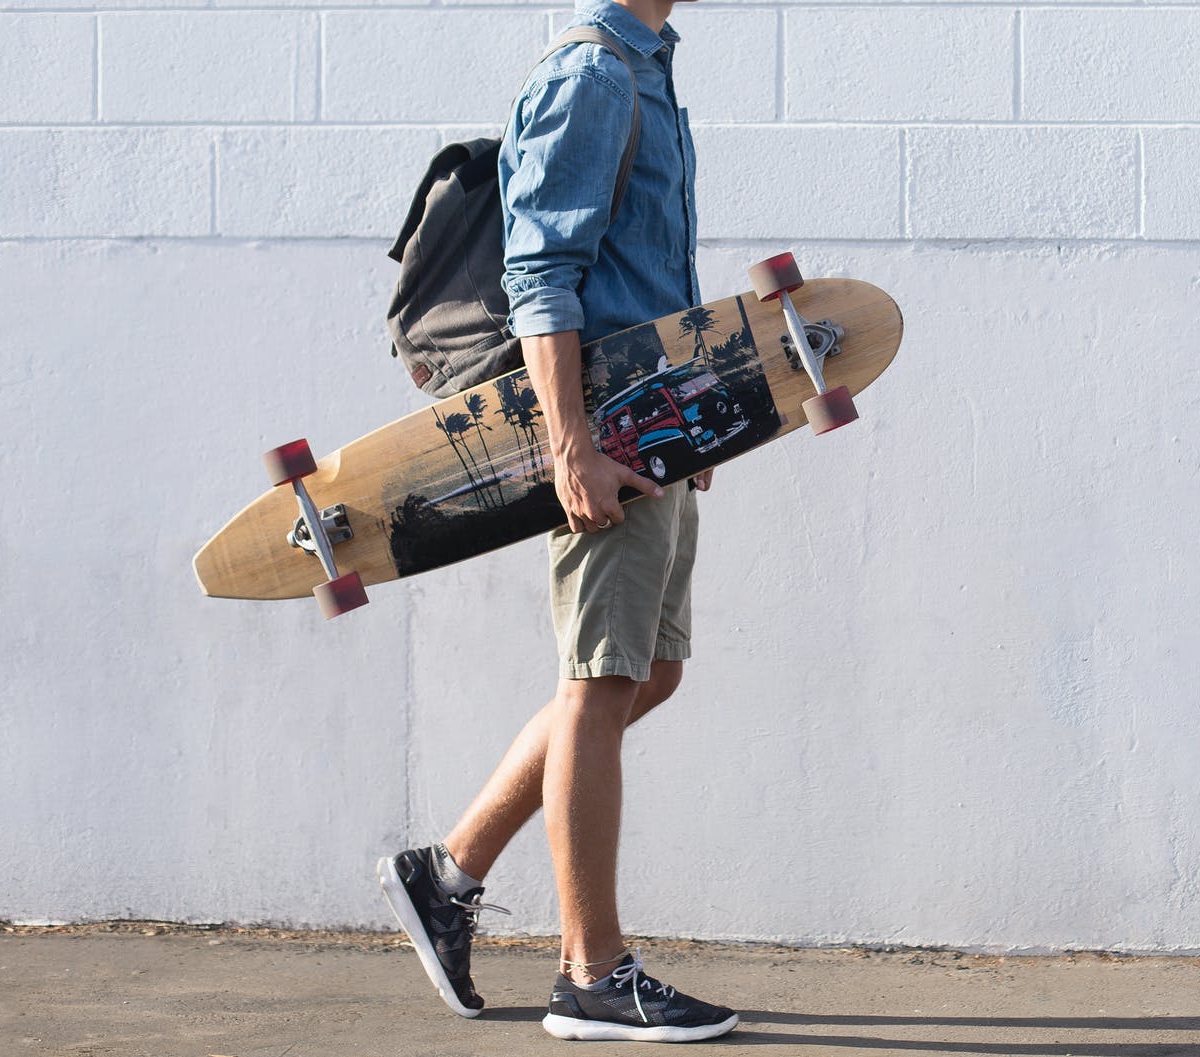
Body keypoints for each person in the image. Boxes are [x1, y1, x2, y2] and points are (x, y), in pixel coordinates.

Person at [376, 0, 738, 1043]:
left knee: (648, 670)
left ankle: (446, 874)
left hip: (655, 423)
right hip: (603, 431)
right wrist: (570, 442)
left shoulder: (647, 67)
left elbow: (652, 270)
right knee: (599, 680)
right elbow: (539, 271)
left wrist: (699, 417)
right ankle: (590, 972)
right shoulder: (591, 76)